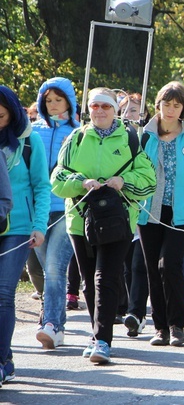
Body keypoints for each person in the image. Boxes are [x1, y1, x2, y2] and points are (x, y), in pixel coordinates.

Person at [51, 87, 156, 364]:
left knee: (105, 278)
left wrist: (125, 182)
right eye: (95, 106)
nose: (100, 111)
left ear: (115, 110)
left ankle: (102, 340)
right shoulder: (76, 138)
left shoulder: (131, 138)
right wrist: (81, 183)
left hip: (118, 221)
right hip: (80, 221)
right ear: (88, 109)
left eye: (106, 107)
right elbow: (57, 177)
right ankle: (96, 334)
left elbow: (149, 179)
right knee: (88, 283)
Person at [137, 82, 184, 347]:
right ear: (158, 104)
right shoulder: (144, 135)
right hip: (150, 212)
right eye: (166, 104)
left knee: (169, 264)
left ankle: (177, 324)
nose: (170, 110)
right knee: (152, 269)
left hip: (181, 213)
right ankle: (160, 327)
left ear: (183, 108)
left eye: (176, 105)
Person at [0, 86, 47, 382]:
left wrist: (38, 225)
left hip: (18, 228)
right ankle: (6, 356)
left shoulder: (30, 142)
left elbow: (42, 186)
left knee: (4, 293)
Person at [29, 78, 79, 350]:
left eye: (58, 100)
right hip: (37, 211)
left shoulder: (79, 132)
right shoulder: (32, 131)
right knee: (46, 271)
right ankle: (57, 325)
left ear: (69, 101)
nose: (52, 105)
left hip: (66, 209)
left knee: (55, 268)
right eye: (48, 100)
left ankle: (50, 324)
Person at [117, 93, 152, 337]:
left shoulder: (149, 137)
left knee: (140, 265)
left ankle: (137, 312)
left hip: (146, 210)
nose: (129, 114)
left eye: (135, 110)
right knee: (126, 266)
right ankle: (129, 308)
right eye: (125, 110)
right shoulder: (115, 139)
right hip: (120, 212)